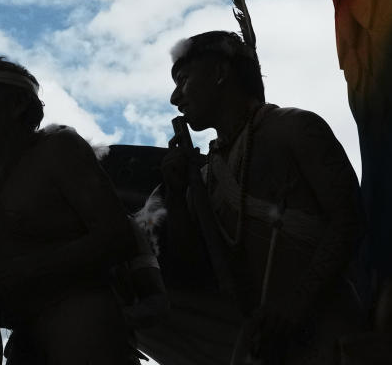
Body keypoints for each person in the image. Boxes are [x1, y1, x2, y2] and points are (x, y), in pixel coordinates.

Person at [145, 30, 367, 365]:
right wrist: (177, 194)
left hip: (329, 332)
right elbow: (195, 270)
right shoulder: (205, 178)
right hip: (257, 343)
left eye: (184, 79)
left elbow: (348, 220)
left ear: (220, 73)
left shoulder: (294, 128)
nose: (176, 98)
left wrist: (294, 308)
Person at [0, 57, 140, 364]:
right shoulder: (1, 175)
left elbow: (118, 237)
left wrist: (15, 273)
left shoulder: (58, 147)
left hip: (82, 331)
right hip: (29, 341)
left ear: (16, 105)